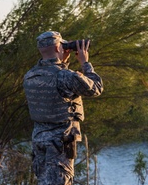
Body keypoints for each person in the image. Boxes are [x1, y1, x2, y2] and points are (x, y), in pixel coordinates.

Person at [23, 31, 103, 185]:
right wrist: (85, 63)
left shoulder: (30, 75)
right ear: (59, 48)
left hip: (39, 139)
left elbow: (55, 81)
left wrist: (62, 61)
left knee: (44, 181)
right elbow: (96, 88)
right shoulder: (64, 76)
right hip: (60, 142)